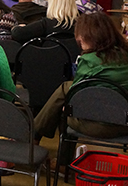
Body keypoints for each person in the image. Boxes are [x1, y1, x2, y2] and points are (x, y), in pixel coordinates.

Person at [34, 13, 128, 163]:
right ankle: (36, 136)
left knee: (65, 105)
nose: (78, 39)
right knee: (67, 90)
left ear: (92, 36)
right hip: (124, 125)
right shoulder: (125, 56)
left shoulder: (88, 61)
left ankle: (59, 159)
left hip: (95, 125)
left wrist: (69, 106)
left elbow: (77, 98)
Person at [11, 0, 78, 44]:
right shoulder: (79, 25)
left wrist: (17, 28)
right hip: (73, 55)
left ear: (52, 4)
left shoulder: (45, 24)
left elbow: (17, 34)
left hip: (47, 55)